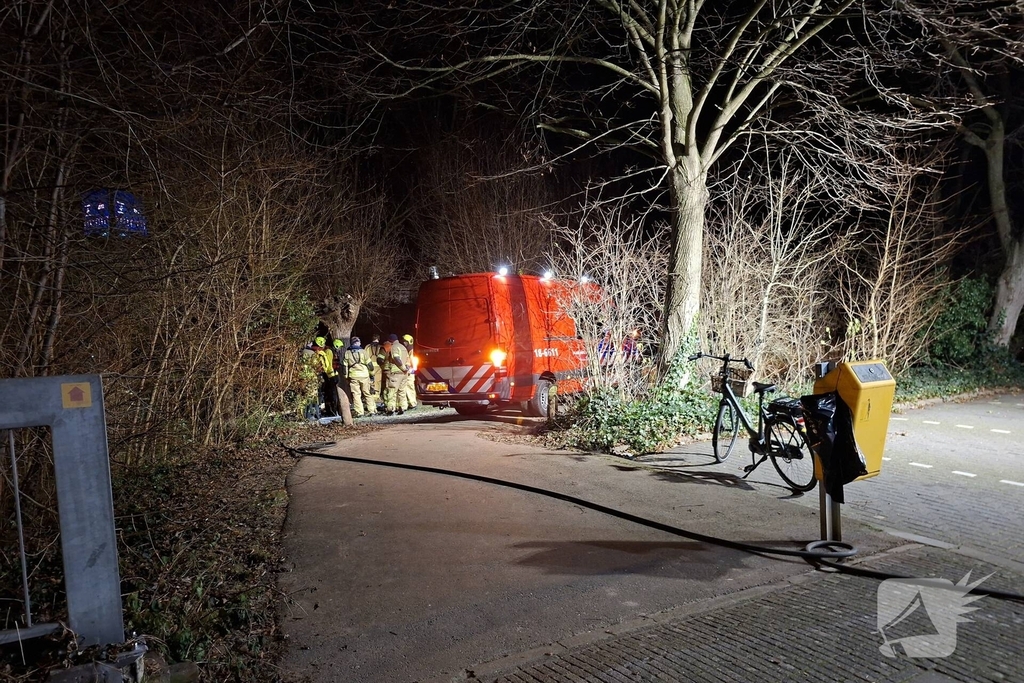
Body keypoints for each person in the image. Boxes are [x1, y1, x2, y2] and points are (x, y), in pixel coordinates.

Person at [343, 337, 377, 418]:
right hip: (364, 375)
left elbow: (344, 367)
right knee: (367, 393)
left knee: (356, 394)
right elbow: (370, 365)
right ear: (358, 343)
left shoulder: (347, 353)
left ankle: (359, 412)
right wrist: (372, 374)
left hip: (353, 376)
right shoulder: (363, 352)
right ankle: (372, 410)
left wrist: (346, 377)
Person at [381, 333, 410, 415]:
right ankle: (402, 407)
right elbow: (408, 359)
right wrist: (406, 369)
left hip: (396, 373)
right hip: (404, 374)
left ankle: (391, 408)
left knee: (392, 391)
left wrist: (402, 368)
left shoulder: (394, 347)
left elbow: (396, 358)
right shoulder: (403, 347)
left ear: (390, 341)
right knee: (402, 391)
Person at [312, 336, 341, 417]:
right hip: (328, 376)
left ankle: (332, 410)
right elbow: (328, 366)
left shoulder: (326, 352)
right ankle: (331, 410)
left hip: (330, 375)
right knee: (329, 394)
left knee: (331, 394)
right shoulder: (327, 352)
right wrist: (331, 375)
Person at [401, 334, 418, 409]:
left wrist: (412, 370)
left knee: (410, 388)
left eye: (405, 342)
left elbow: (414, 363)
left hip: (410, 373)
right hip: (406, 372)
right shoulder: (407, 351)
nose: (404, 343)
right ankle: (408, 403)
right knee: (405, 388)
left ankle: (413, 403)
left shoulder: (412, 351)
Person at [366, 334, 383, 398]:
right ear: (378, 339)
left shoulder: (367, 347)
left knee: (370, 382)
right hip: (378, 367)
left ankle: (370, 396)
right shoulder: (380, 347)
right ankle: (377, 396)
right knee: (378, 382)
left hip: (369, 367)